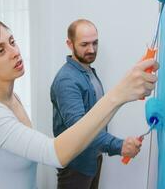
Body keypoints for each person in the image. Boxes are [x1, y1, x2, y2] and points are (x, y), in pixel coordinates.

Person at [0, 16, 158, 189]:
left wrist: (120, 98)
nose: (15, 52)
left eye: (12, 41)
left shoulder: (12, 98)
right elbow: (54, 153)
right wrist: (119, 95)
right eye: (0, 50)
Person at [50, 19, 144, 189]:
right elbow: (81, 129)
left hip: (92, 158)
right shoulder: (67, 80)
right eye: (84, 44)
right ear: (69, 44)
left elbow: (98, 117)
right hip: (76, 166)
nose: (91, 50)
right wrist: (119, 145)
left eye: (95, 43)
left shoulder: (88, 72)